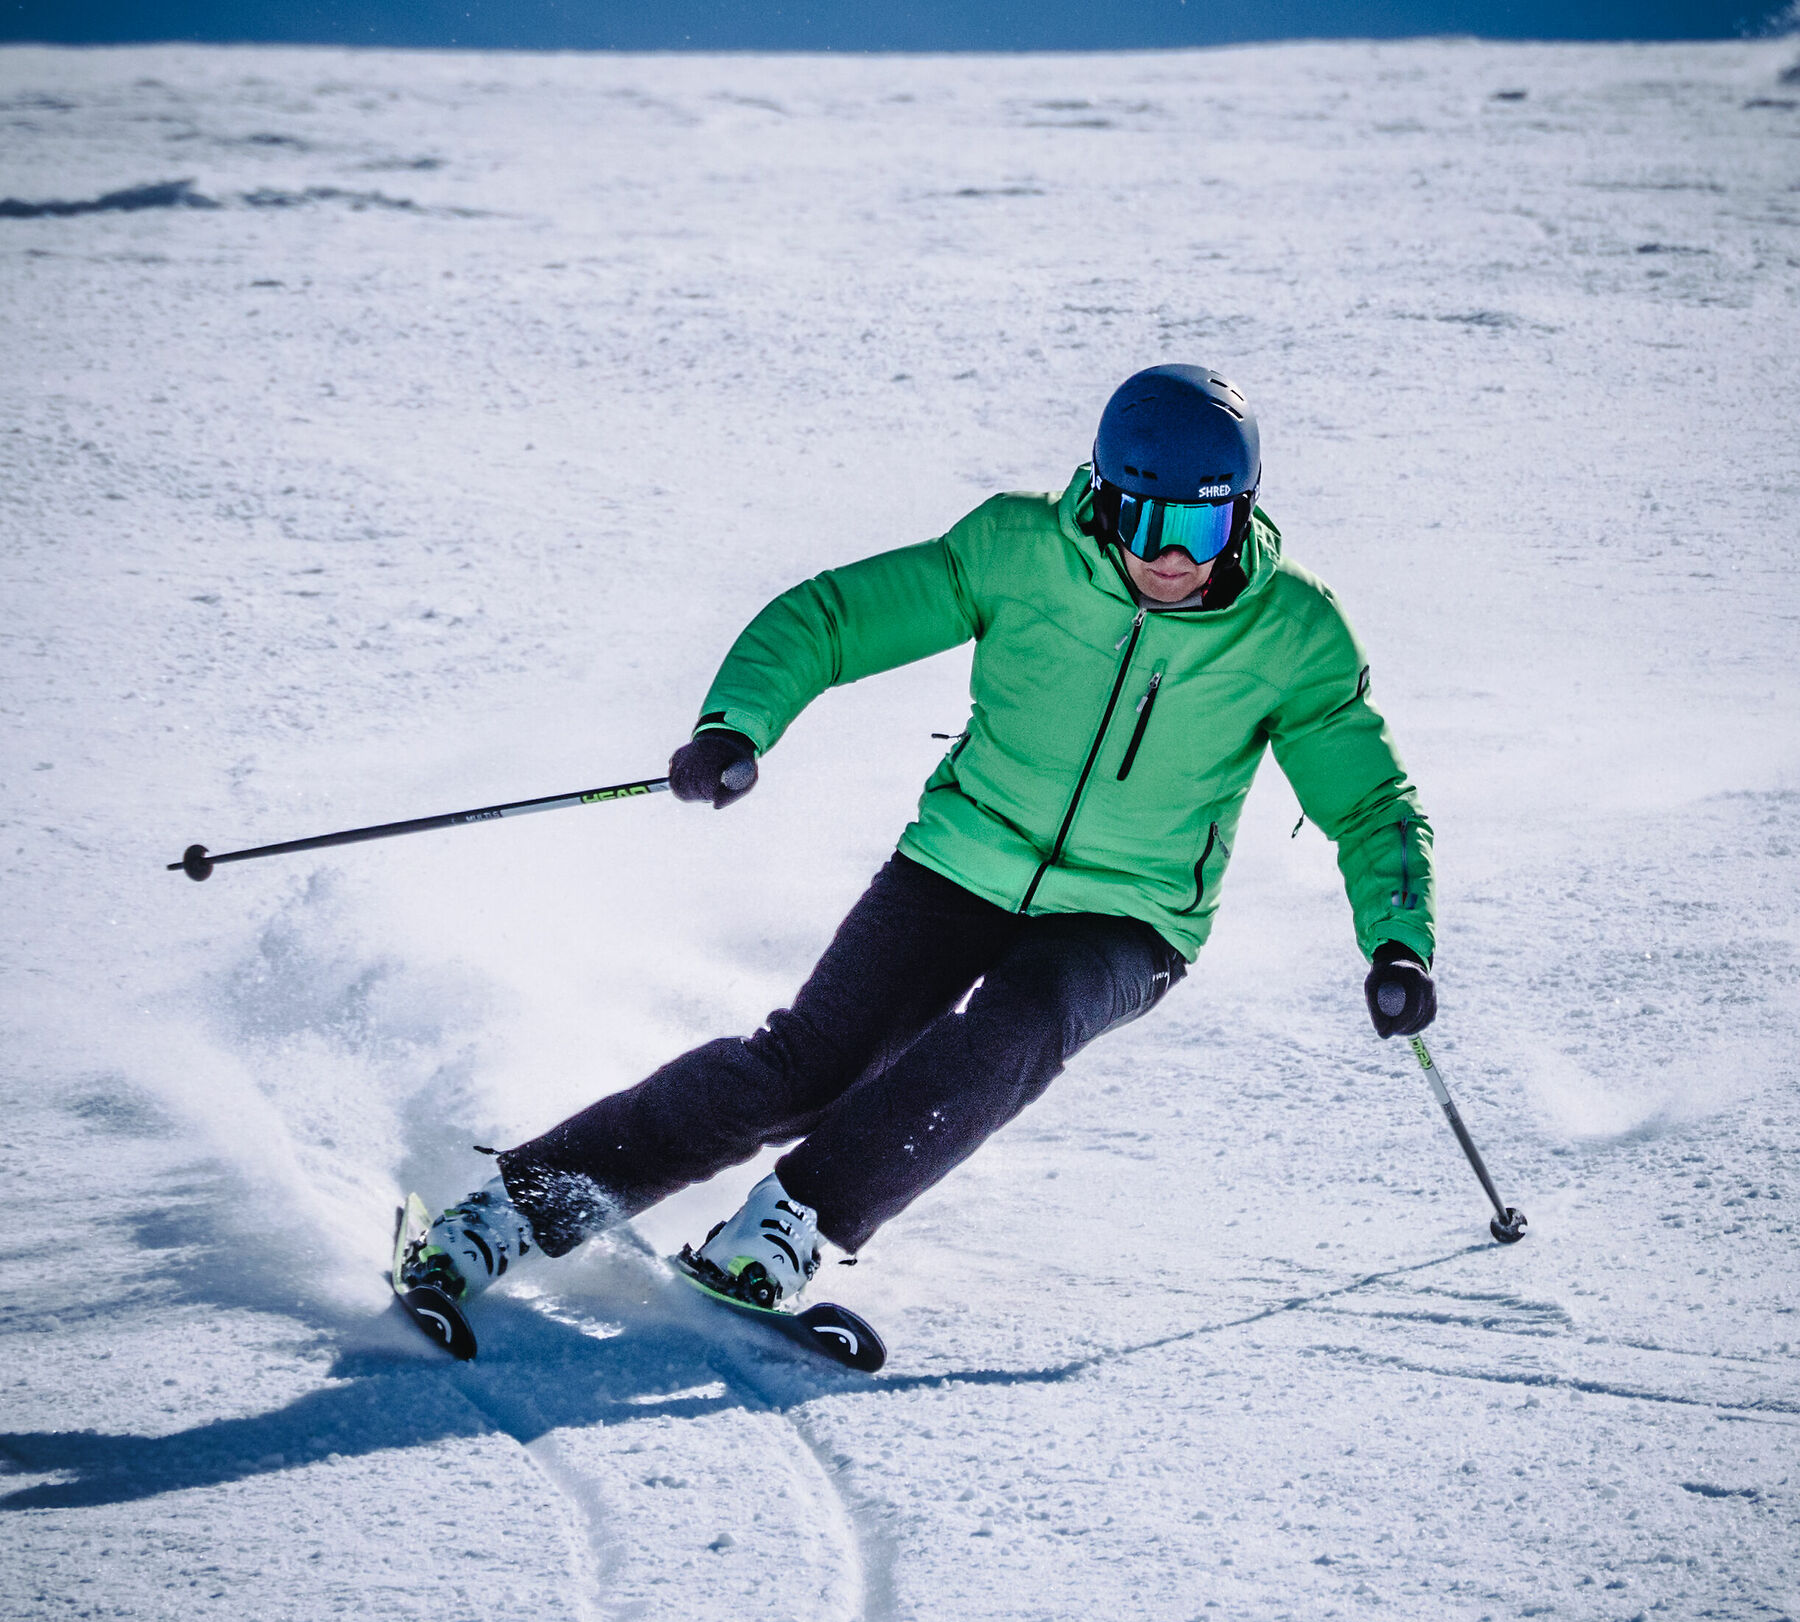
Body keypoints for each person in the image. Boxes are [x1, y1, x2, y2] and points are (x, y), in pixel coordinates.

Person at [399, 365, 1436, 1340]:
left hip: (1133, 915)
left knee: (1014, 1032)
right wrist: (738, 725)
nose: (1175, 553)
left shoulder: (1295, 633)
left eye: (1205, 520)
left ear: (1242, 511)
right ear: (1106, 501)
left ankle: (793, 1224)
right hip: (960, 859)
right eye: (1150, 518)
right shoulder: (1017, 551)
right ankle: (520, 1208)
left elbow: (1370, 799)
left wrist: (1398, 942)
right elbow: (836, 617)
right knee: (805, 1065)